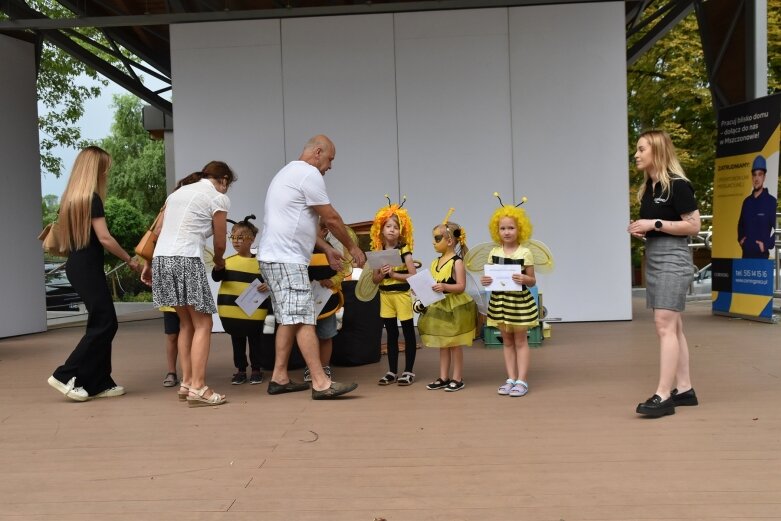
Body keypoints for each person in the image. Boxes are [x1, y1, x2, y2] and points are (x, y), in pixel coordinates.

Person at [258, 134, 366, 400]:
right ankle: (320, 382)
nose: (330, 166)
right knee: (304, 317)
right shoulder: (309, 174)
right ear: (318, 152)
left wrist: (327, 248)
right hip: (286, 259)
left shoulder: (287, 173)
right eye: (330, 159)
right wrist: (352, 248)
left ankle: (279, 377)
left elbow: (295, 222)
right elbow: (331, 217)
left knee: (287, 318)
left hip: (273, 257)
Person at [47, 146, 142, 402]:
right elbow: (105, 238)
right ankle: (65, 374)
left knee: (102, 323)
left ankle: (99, 381)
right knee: (104, 323)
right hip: (87, 266)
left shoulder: (71, 198)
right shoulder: (92, 199)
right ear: (96, 169)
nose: (107, 172)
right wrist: (129, 259)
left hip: (79, 265)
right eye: (105, 167)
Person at [141, 161, 236, 407]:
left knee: (186, 323)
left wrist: (149, 263)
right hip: (186, 258)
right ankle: (199, 387)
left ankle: (187, 383)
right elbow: (220, 242)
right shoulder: (217, 197)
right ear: (223, 179)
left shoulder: (178, 193)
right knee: (203, 323)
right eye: (228, 184)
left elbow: (159, 229)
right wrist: (218, 261)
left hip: (162, 259)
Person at [628, 130, 701, 417]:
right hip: (656, 257)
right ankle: (684, 389)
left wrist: (654, 223)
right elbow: (660, 226)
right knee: (674, 326)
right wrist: (643, 230)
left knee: (663, 325)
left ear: (657, 151)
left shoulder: (679, 185)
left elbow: (693, 226)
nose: (636, 154)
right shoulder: (650, 188)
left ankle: (663, 395)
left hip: (674, 260)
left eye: (641, 149)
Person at [481, 194, 538, 397]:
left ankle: (522, 380)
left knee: (521, 340)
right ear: (497, 230)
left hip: (519, 302)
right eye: (503, 228)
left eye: (511, 228)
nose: (507, 232)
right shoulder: (494, 252)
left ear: (520, 229)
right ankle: (510, 378)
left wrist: (525, 279)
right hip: (499, 301)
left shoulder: (525, 253)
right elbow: (488, 278)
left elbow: (533, 280)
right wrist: (485, 281)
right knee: (506, 340)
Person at [418, 213, 476, 392]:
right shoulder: (435, 261)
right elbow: (431, 282)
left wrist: (444, 286)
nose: (434, 242)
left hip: (453, 307)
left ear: (450, 240)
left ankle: (457, 377)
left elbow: (461, 286)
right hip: (439, 306)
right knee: (443, 344)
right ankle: (443, 377)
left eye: (437, 238)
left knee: (455, 344)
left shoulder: (457, 263)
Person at [212, 215, 270, 386]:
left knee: (255, 340)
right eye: (233, 238)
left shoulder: (261, 264)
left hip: (254, 314)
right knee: (237, 340)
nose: (235, 242)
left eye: (240, 238)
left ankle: (256, 369)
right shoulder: (227, 262)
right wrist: (218, 266)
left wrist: (267, 285)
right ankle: (241, 370)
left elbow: (271, 281)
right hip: (233, 314)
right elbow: (217, 277)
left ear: (251, 240)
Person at [370, 196, 418, 386]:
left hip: (402, 295)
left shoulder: (404, 249)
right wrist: (381, 274)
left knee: (407, 332)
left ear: (401, 231)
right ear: (381, 229)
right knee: (390, 333)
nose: (392, 229)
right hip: (385, 296)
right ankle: (391, 371)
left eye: (396, 227)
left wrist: (394, 274)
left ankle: (408, 371)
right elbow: (374, 279)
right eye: (388, 226)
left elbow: (413, 275)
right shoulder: (377, 249)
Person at [303, 219, 354, 383]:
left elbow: (342, 271)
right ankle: (311, 368)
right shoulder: (302, 250)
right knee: (307, 334)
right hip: (306, 301)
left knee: (325, 335)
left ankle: (324, 367)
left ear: (324, 231)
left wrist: (332, 281)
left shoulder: (332, 251)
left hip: (327, 302)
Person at [737, 155, 777, 259]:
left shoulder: (771, 202)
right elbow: (740, 225)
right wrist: (741, 240)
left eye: (760, 174)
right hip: (745, 256)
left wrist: (766, 245)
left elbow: (778, 229)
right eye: (754, 175)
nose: (756, 178)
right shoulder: (746, 202)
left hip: (762, 258)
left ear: (764, 177)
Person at [161, 306, 180, 388]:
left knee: (188, 335)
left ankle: (189, 374)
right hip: (169, 305)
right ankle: (171, 372)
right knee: (172, 336)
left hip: (188, 305)